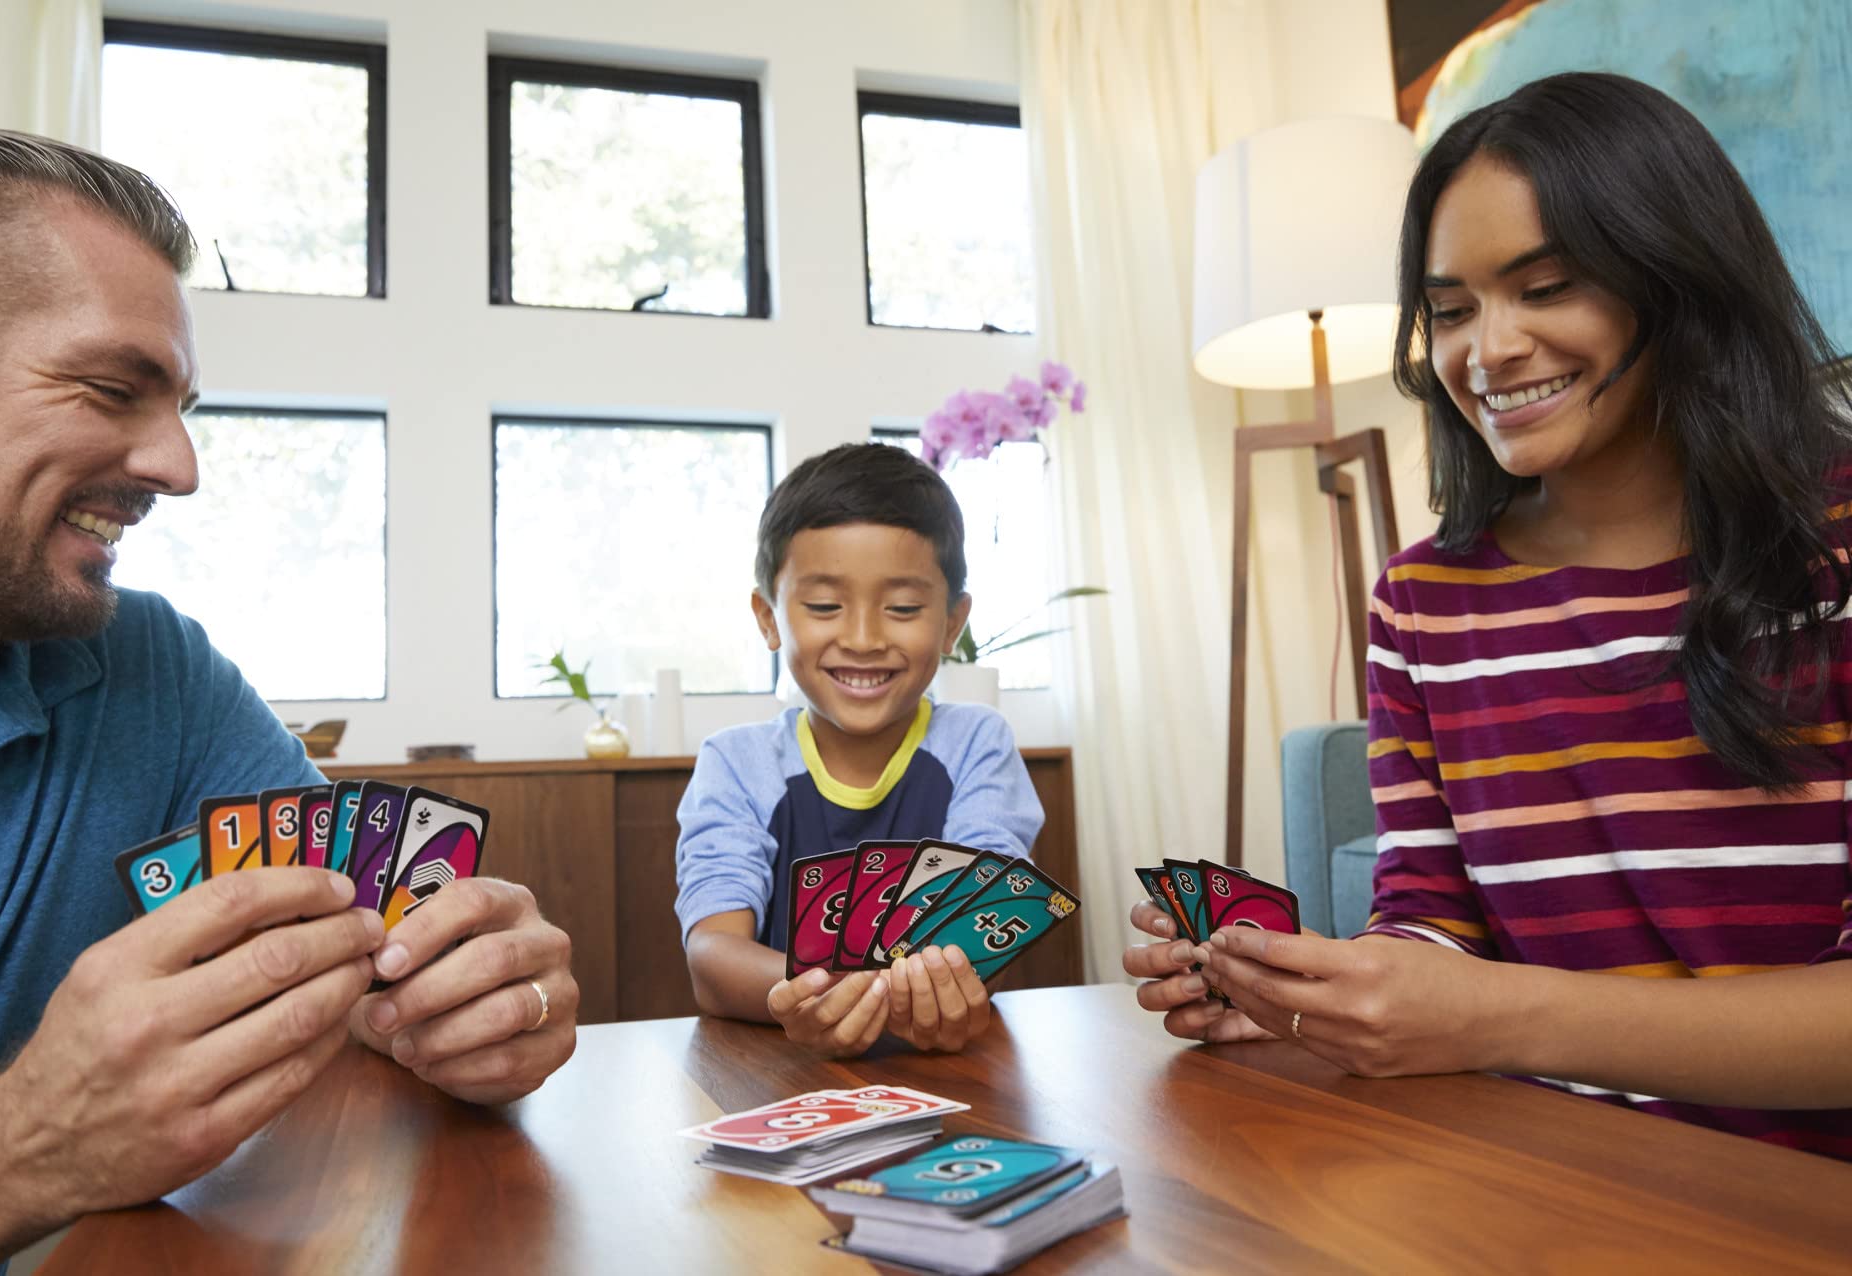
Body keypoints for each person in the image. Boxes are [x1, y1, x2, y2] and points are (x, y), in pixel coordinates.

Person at [0, 128, 579, 1272]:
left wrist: (464, 999)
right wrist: (25, 1149)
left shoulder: (154, 668)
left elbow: (351, 957)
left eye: (181, 403)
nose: (180, 466)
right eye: (108, 388)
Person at [1124, 72, 1852, 1158]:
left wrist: (1493, 1015)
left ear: (1675, 277)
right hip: (1537, 1181)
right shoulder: (1422, 604)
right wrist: (1322, 997)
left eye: (1545, 285)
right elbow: (1431, 921)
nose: (1486, 350)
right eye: (1451, 310)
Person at [675, 443, 1043, 1057]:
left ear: (953, 624)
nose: (865, 638)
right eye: (824, 606)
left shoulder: (978, 743)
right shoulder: (736, 764)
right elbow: (712, 956)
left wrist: (868, 992)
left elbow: (986, 931)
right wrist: (827, 992)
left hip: (947, 1075)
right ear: (768, 618)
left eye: (902, 608)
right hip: (782, 1079)